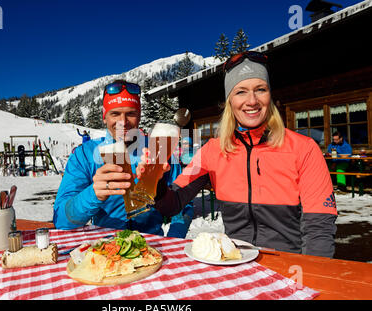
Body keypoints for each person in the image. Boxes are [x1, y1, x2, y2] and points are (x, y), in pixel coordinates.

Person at [137, 51, 337, 257]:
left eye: (260, 89)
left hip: (289, 265)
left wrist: (311, 276)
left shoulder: (304, 148)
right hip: (235, 261)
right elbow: (172, 204)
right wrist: (158, 182)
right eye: (241, 92)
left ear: (270, 95)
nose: (252, 101)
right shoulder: (211, 151)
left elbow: (319, 229)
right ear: (229, 101)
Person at [53, 80, 193, 238]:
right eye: (115, 114)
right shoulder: (84, 155)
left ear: (139, 116)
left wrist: (173, 238)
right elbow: (61, 221)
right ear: (104, 116)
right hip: (105, 248)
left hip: (152, 246)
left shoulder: (158, 150)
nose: (123, 122)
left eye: (130, 114)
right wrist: (93, 195)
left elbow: (184, 205)